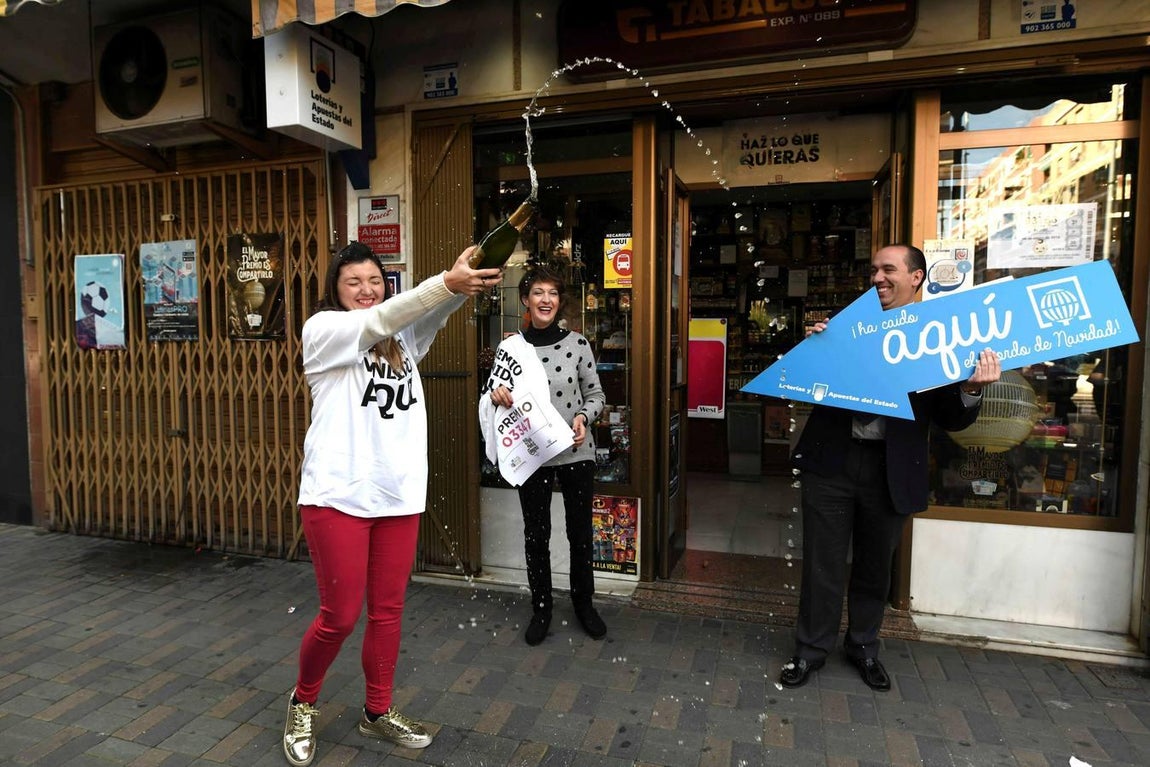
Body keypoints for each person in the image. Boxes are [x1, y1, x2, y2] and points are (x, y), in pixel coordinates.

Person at [282, 241, 501, 767]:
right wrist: (444, 284)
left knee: (388, 611)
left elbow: (428, 311)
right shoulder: (324, 331)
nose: (366, 290)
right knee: (339, 616)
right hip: (338, 494)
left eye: (374, 280)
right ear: (336, 289)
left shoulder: (400, 337)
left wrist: (459, 283)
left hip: (398, 494)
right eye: (353, 281)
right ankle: (303, 701)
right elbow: (382, 318)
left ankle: (377, 710)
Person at [780, 244, 1002, 692]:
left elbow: (950, 416)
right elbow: (806, 387)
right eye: (873, 271)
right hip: (832, 463)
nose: (877, 278)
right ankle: (810, 650)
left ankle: (863, 647)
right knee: (822, 563)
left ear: (916, 278)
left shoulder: (939, 336)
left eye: (888, 269)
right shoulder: (847, 328)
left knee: (875, 567)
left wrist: (973, 389)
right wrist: (816, 349)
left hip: (891, 468)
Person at [482, 264, 607, 646]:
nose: (546, 300)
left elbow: (596, 395)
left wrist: (585, 417)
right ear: (525, 299)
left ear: (559, 301)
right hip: (532, 453)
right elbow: (494, 395)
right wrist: (497, 394)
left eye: (552, 293)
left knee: (580, 533)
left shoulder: (578, 344)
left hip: (574, 449)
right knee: (536, 533)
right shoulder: (510, 349)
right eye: (538, 292)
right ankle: (542, 608)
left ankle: (584, 604)